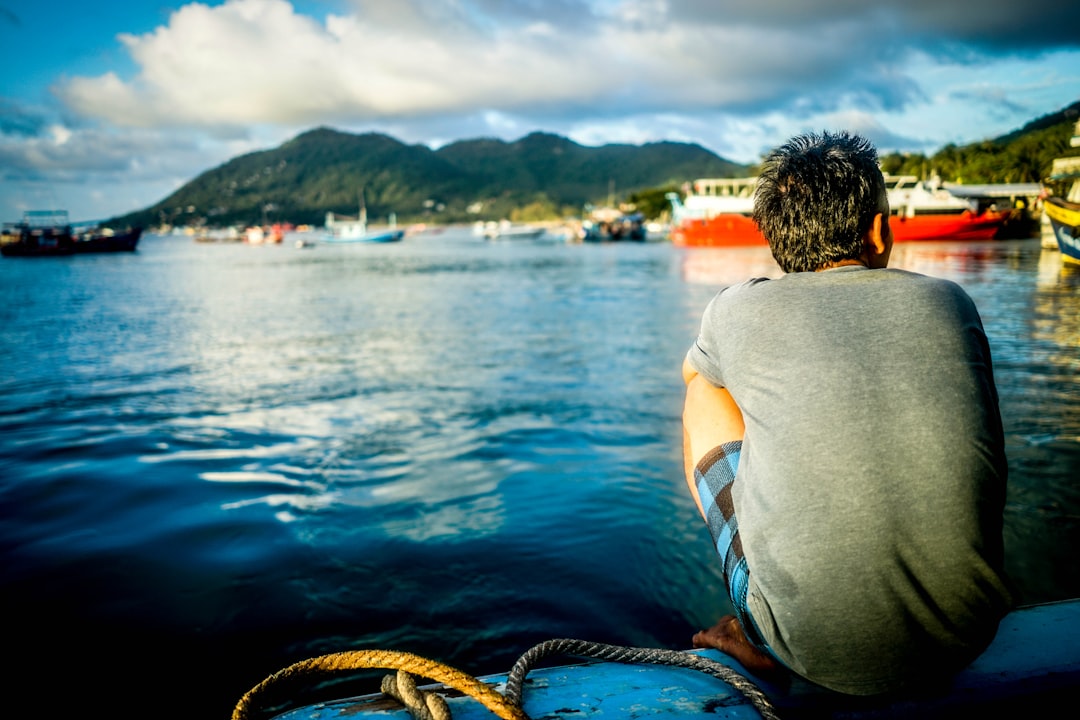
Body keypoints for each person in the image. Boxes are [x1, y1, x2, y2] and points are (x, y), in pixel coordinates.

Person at [681, 131, 1013, 697]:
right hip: (967, 635)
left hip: (811, 652)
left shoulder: (734, 308)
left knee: (703, 391)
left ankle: (761, 626)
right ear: (881, 230)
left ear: (777, 238)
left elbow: (697, 381)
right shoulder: (950, 300)